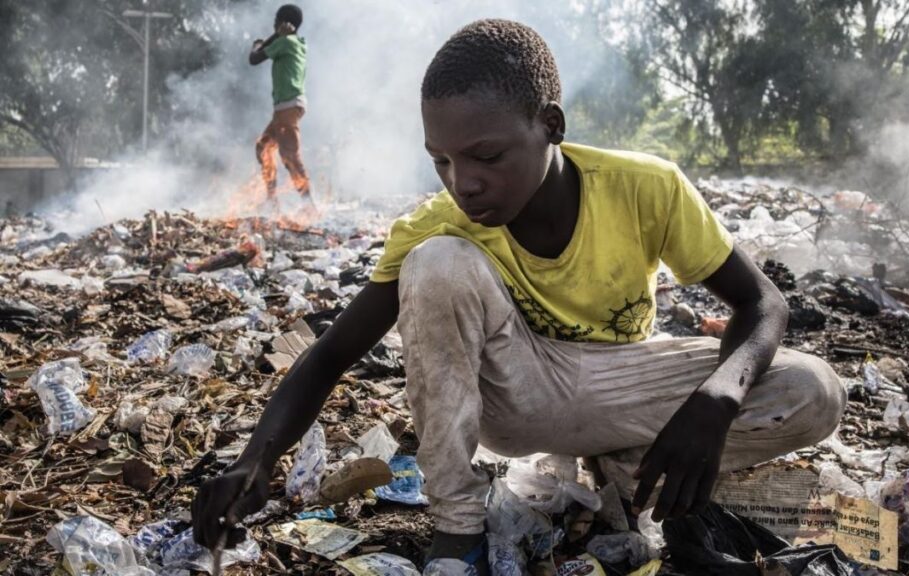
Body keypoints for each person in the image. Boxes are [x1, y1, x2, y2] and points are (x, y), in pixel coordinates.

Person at [193, 19, 845, 573]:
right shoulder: (438, 226)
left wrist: (717, 399)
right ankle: (458, 532)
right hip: (519, 395)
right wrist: (255, 463)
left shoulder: (646, 188)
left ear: (550, 125)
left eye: (485, 156)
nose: (463, 184)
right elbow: (332, 353)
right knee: (436, 264)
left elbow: (761, 303)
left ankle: (627, 473)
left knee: (813, 390)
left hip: (623, 384)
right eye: (441, 161)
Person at [249, 4, 315, 213]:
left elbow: (254, 58)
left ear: (281, 24)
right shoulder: (296, 41)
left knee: (289, 155)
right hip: (285, 108)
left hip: (288, 106)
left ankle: (308, 204)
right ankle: (272, 199)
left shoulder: (286, 42)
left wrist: (262, 41)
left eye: (275, 22)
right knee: (264, 148)